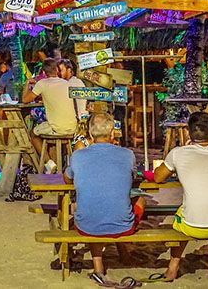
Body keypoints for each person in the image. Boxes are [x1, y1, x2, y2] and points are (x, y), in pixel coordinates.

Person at [151, 111, 208, 286]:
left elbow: (157, 177)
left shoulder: (178, 153)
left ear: (188, 132)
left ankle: (172, 267)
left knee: (182, 214)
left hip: (194, 227)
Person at [65, 112, 144, 287]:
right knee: (138, 199)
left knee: (92, 205)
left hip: (86, 225)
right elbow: (133, 176)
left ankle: (98, 264)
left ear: (91, 134)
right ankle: (124, 253)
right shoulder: (127, 154)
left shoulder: (78, 156)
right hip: (123, 226)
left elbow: (67, 179)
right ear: (112, 133)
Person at [22, 59, 77, 153]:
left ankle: (49, 163)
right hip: (73, 127)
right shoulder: (66, 83)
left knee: (33, 135)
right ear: (57, 69)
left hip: (57, 128)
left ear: (44, 72)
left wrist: (27, 84)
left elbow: (25, 100)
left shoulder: (42, 84)